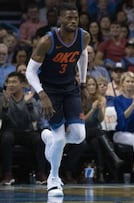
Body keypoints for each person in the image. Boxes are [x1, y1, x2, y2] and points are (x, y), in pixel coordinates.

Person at [25, 2, 90, 197]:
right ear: (59, 19)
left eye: (75, 18)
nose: (72, 21)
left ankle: (50, 140)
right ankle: (53, 178)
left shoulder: (83, 36)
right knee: (61, 137)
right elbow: (30, 72)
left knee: (79, 135)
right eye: (68, 17)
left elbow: (83, 54)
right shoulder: (47, 41)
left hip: (70, 88)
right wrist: (42, 94)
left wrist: (84, 83)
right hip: (50, 91)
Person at [0, 72, 47, 185]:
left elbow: (35, 117)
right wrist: (5, 105)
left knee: (39, 140)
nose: (11, 85)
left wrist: (29, 104)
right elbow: (2, 117)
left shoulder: (29, 98)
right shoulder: (3, 98)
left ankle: (41, 174)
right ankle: (7, 174)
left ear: (22, 84)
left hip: (26, 131)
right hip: (10, 130)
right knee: (6, 139)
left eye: (14, 82)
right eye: (9, 82)